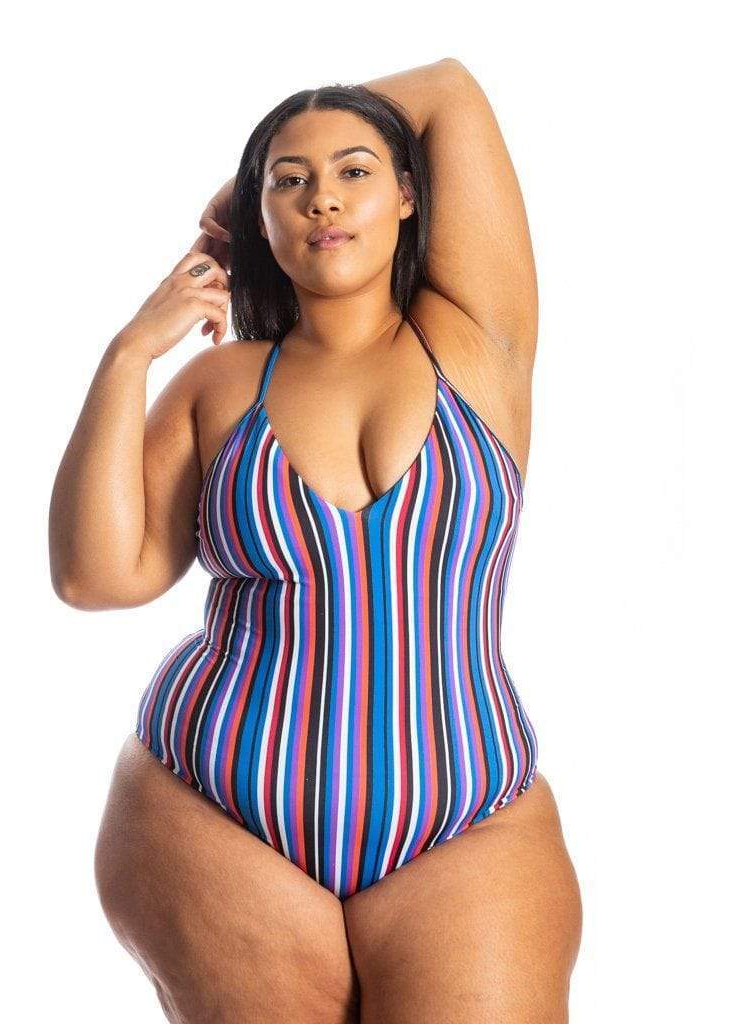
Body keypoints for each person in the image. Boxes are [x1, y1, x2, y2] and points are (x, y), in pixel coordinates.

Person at [50, 57, 583, 1024]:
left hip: (468, 823)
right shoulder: (219, 386)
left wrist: (242, 178)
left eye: (354, 172)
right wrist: (129, 353)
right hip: (211, 816)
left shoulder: (477, 346)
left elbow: (449, 89)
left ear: (410, 194)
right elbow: (96, 577)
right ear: (268, 222)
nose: (322, 199)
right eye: (290, 183)